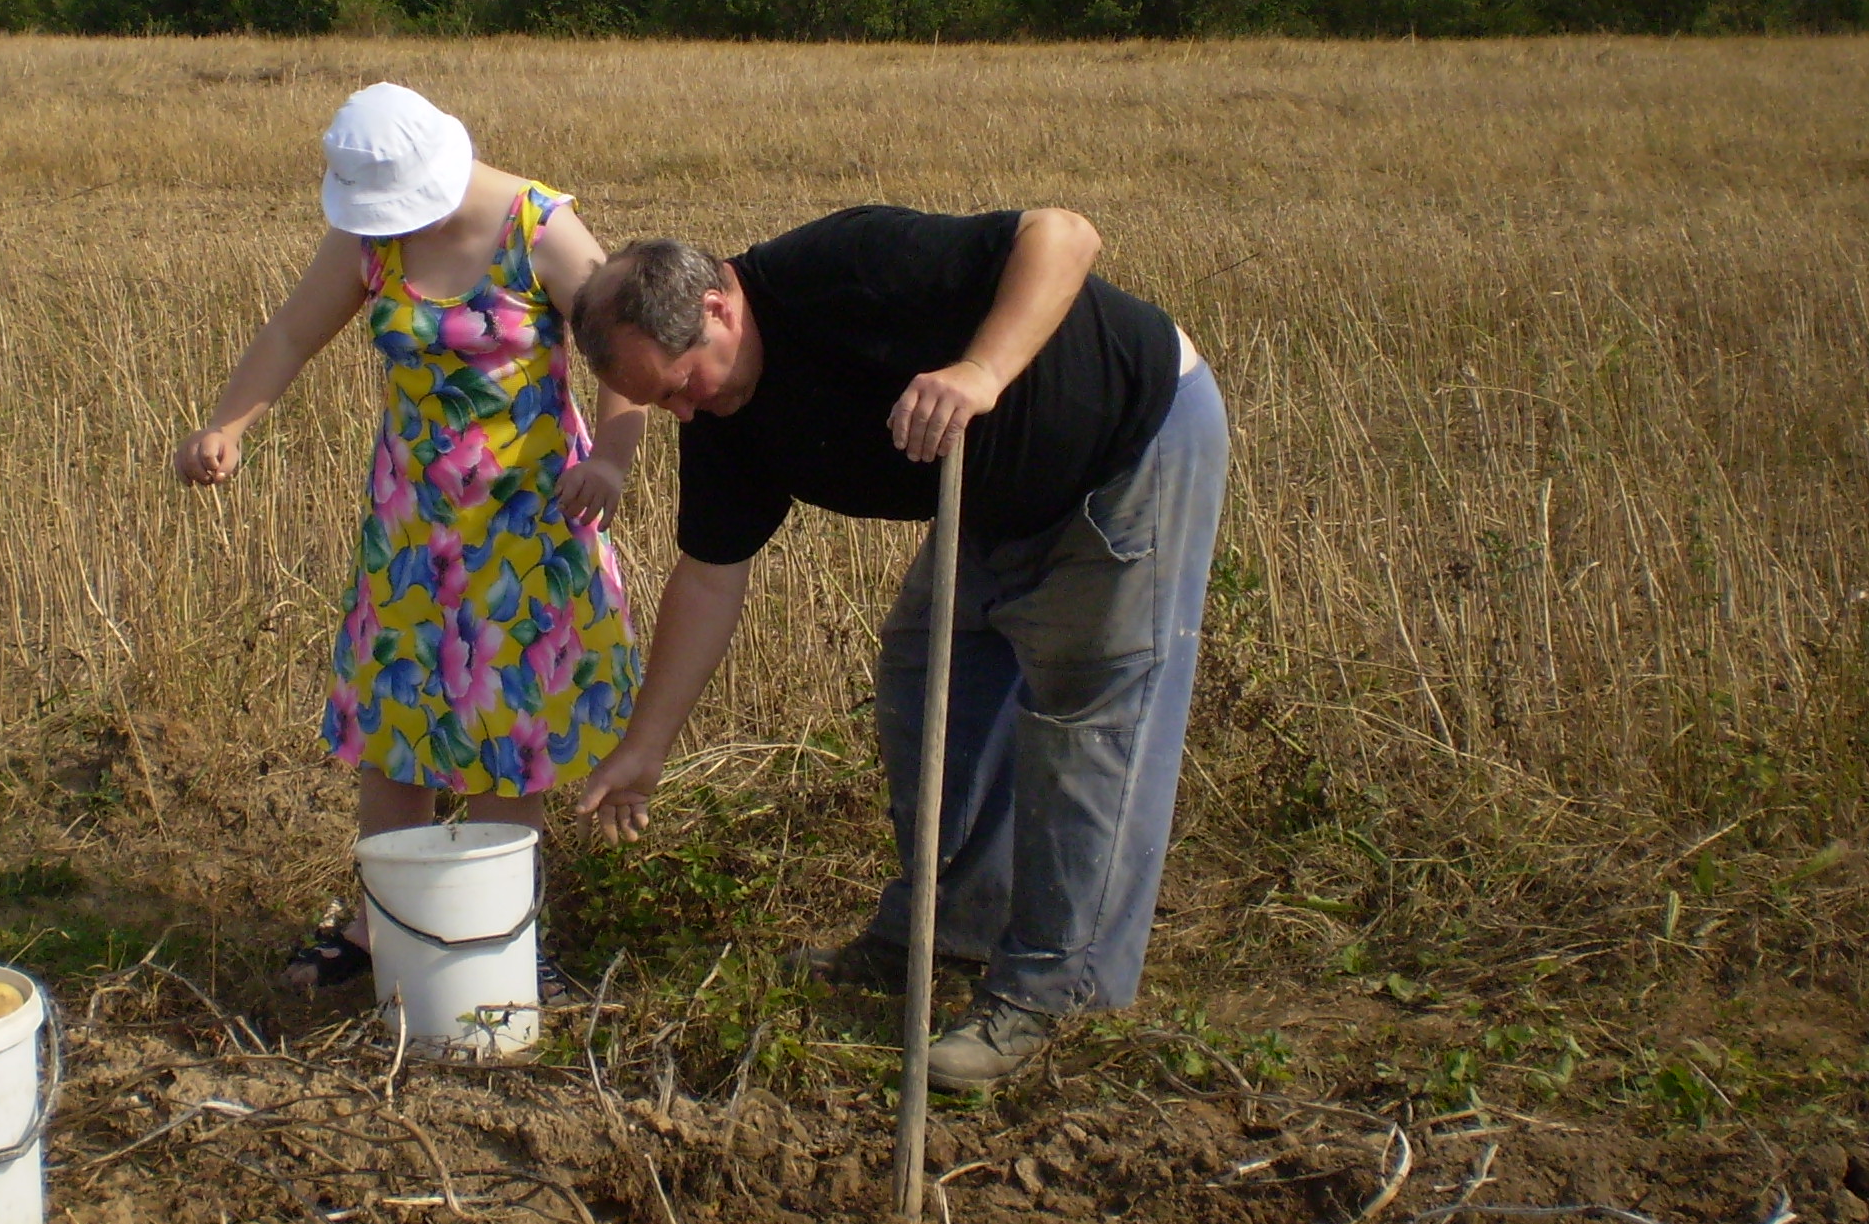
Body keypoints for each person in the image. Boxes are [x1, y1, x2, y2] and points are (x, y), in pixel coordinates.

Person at [567, 207, 1228, 1087]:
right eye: (664, 403)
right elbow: (710, 578)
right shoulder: (723, 413)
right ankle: (948, 929)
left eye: (684, 383)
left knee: (1089, 725)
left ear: (719, 307)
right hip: (995, 492)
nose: (686, 410)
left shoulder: (844, 267)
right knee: (927, 680)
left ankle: (1054, 991)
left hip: (1121, 441)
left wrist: (980, 371)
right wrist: (646, 748)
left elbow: (1065, 235)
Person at [176, 82, 642, 990]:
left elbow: (625, 349)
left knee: (508, 726)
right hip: (411, 526)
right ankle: (381, 927)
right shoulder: (369, 237)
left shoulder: (539, 228)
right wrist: (227, 425)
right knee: (395, 715)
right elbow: (291, 333)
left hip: (527, 526)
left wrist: (615, 461)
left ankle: (501, 937)